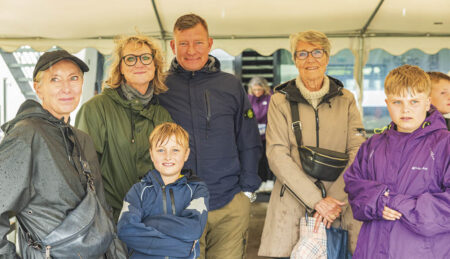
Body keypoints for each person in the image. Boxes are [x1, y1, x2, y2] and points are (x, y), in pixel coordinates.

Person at [0, 50, 125, 258]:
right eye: (55, 79)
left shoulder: (82, 139)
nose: (66, 88)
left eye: (74, 78)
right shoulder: (26, 134)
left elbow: (102, 210)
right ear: (38, 88)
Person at [158, 14, 262, 259]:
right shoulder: (160, 87)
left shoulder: (230, 85)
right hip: (178, 207)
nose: (191, 50)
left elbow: (248, 139)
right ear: (173, 46)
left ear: (210, 43)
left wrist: (247, 191)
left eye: (198, 42)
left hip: (229, 203)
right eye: (183, 43)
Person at [258, 30, 365, 258]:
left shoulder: (346, 99)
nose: (310, 59)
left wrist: (333, 200)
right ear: (295, 60)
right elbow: (277, 154)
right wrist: (317, 200)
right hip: (293, 202)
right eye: (303, 53)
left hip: (339, 204)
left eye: (317, 52)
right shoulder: (279, 100)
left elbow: (357, 150)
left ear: (327, 57)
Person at [344, 65, 450, 258]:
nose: (406, 109)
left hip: (424, 252)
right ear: (387, 103)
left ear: (428, 103)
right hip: (373, 249)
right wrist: (377, 201)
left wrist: (395, 201)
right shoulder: (372, 146)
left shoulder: (445, 144)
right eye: (397, 102)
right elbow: (354, 187)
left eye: (414, 101)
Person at [75, 35, 173, 221]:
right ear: (120, 67)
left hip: (153, 220)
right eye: (130, 59)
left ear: (155, 65)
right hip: (111, 220)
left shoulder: (162, 115)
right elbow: (82, 171)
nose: (139, 64)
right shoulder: (96, 109)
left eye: (145, 57)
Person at [117, 122, 209, 258]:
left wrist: (149, 222)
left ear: (186, 154)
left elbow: (193, 229)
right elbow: (125, 230)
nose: (168, 156)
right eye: (161, 150)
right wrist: (182, 248)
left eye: (175, 150)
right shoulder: (138, 191)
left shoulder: (197, 190)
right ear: (151, 154)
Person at [247, 76, 274, 192]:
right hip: (255, 135)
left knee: (269, 158)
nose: (257, 92)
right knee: (258, 158)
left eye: (259, 89)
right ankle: (261, 181)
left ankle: (270, 181)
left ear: (264, 88)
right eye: (255, 90)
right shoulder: (249, 98)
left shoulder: (270, 97)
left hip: (269, 134)